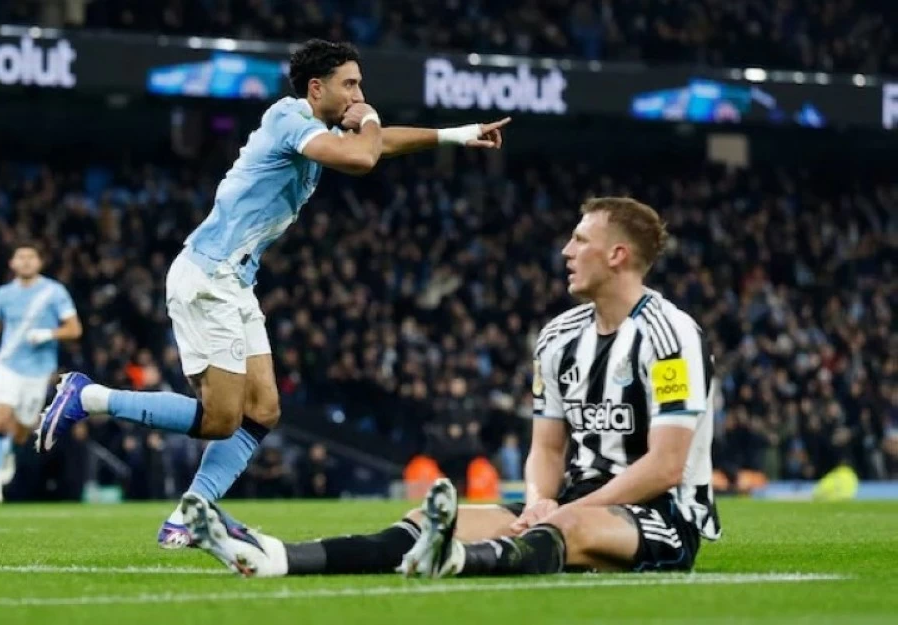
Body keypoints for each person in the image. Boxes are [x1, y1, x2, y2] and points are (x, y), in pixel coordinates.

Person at [34, 39, 510, 547]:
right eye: (350, 84)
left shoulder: (317, 128)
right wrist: (368, 119)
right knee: (220, 419)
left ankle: (190, 513)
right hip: (208, 276)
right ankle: (89, 396)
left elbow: (382, 143)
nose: (358, 94)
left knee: (263, 411)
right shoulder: (288, 119)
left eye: (360, 86)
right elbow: (363, 156)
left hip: (236, 281)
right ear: (316, 88)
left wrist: (459, 134)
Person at [178, 197, 722, 577]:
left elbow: (665, 466)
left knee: (573, 525)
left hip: (660, 518)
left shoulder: (670, 335)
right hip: (569, 505)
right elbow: (547, 447)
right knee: (425, 519)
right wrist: (540, 501)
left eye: (580, 240)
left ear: (617, 255)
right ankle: (277, 557)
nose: (566, 251)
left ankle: (457, 560)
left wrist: (559, 513)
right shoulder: (558, 337)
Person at [0, 242, 82, 504]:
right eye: (21, 257)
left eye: (31, 257)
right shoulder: (4, 293)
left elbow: (75, 329)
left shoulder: (54, 292)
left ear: (40, 262)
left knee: (23, 429)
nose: (26, 261)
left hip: (39, 371)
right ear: (12, 263)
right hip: (7, 365)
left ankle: (8, 449)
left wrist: (48, 334)